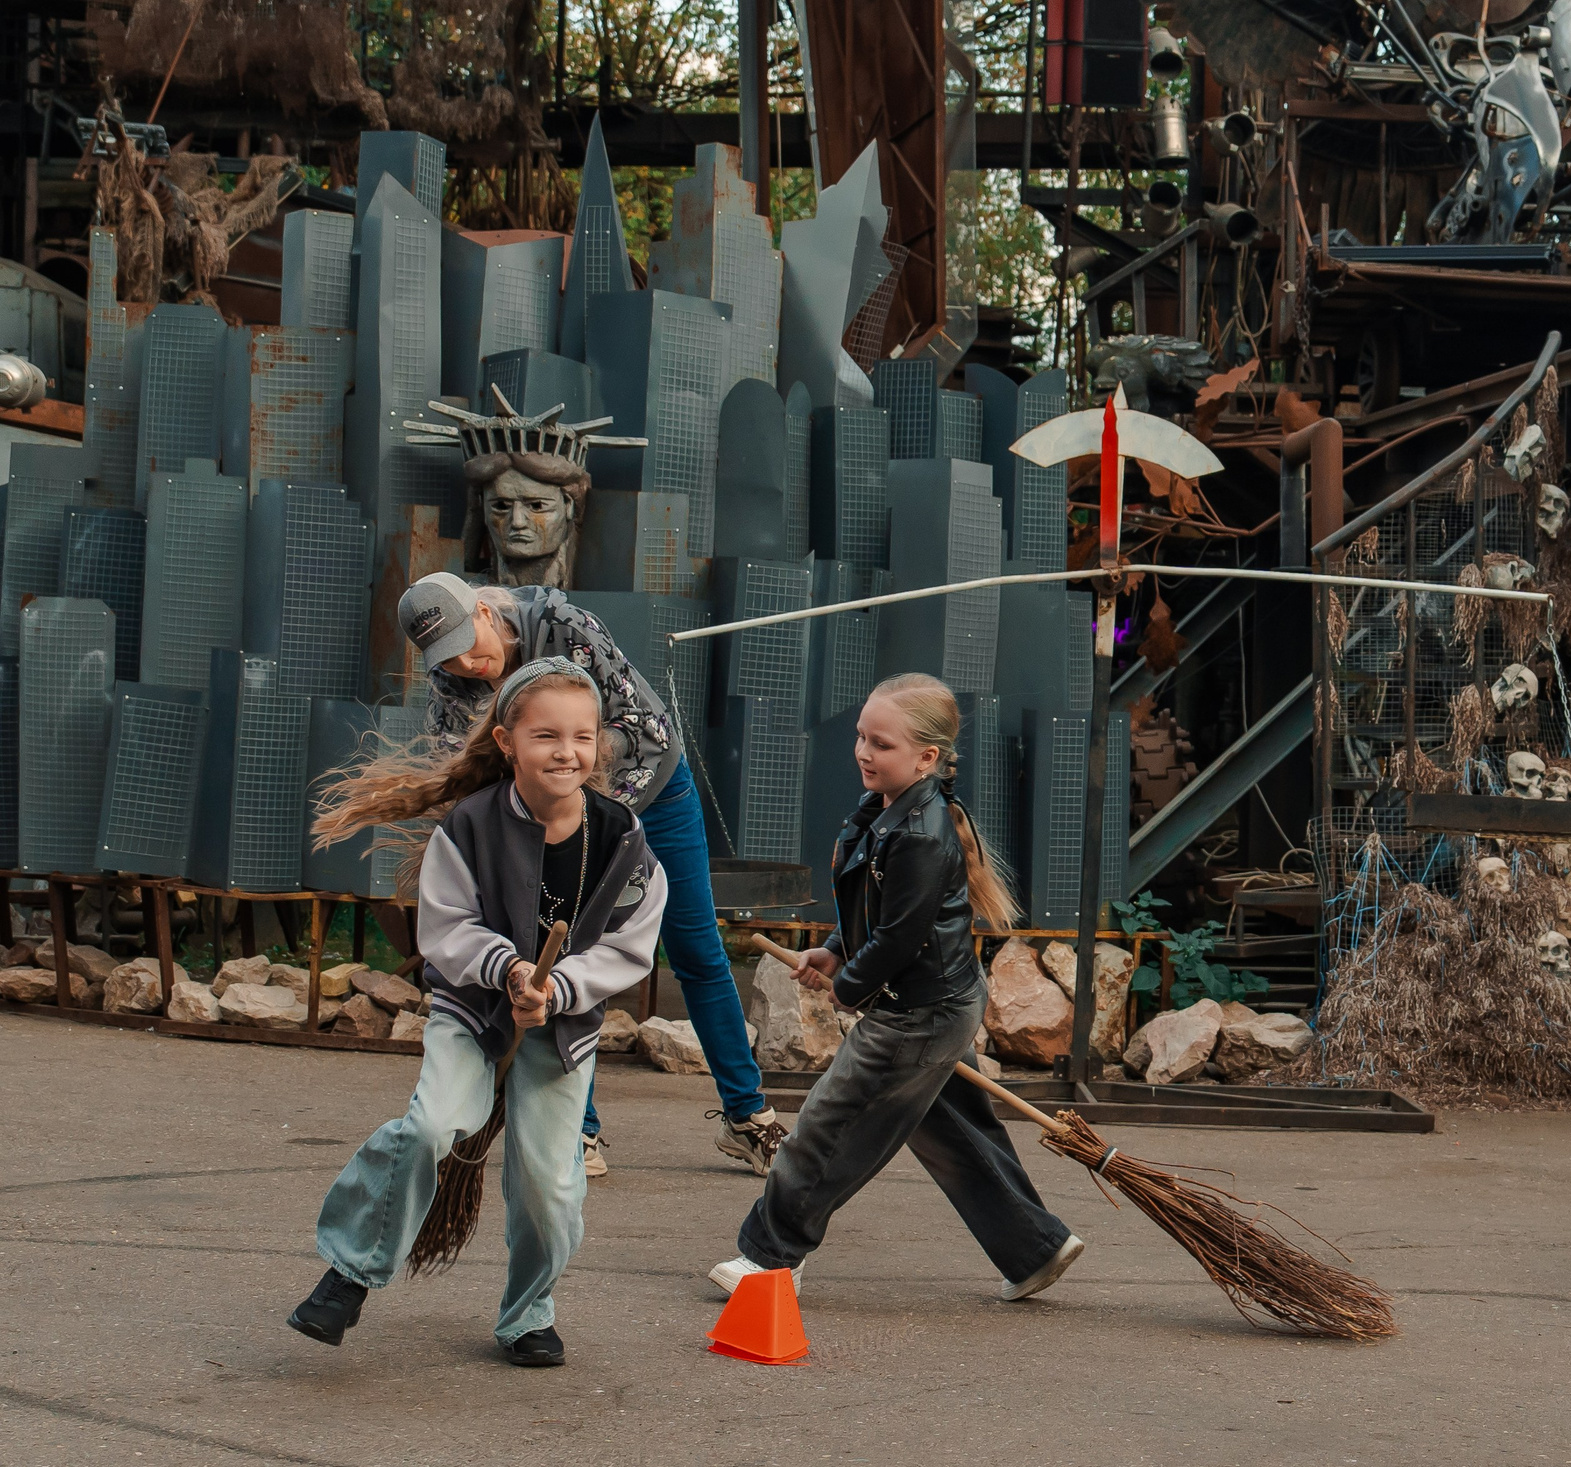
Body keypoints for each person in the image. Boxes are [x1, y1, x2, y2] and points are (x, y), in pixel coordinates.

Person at [287, 659, 667, 1366]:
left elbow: (630, 944)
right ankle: (350, 1271)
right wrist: (510, 969)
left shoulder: (621, 840)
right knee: (433, 1124)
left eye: (583, 738)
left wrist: (558, 988)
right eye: (547, 735)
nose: (567, 752)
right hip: (472, 1010)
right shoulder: (469, 826)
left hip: (560, 1025)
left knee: (550, 1188)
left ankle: (529, 1313)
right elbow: (447, 929)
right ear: (506, 742)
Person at [399, 571, 790, 1180]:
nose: (468, 664)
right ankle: (577, 1128)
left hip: (650, 789)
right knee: (558, 956)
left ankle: (748, 1115)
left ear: (482, 609)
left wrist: (591, 820)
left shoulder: (565, 627)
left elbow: (643, 729)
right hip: (551, 820)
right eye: (446, 656)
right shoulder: (451, 679)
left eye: (468, 644)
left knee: (697, 948)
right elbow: (472, 771)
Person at [709, 673, 1086, 1303]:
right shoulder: (885, 812)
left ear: (927, 758)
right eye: (861, 736)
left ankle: (771, 1257)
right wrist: (833, 950)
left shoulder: (920, 834)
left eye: (880, 744)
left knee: (829, 1126)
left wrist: (851, 984)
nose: (862, 751)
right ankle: (1036, 1249)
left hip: (917, 1015)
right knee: (953, 1133)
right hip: (935, 1007)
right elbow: (873, 915)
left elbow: (899, 938)